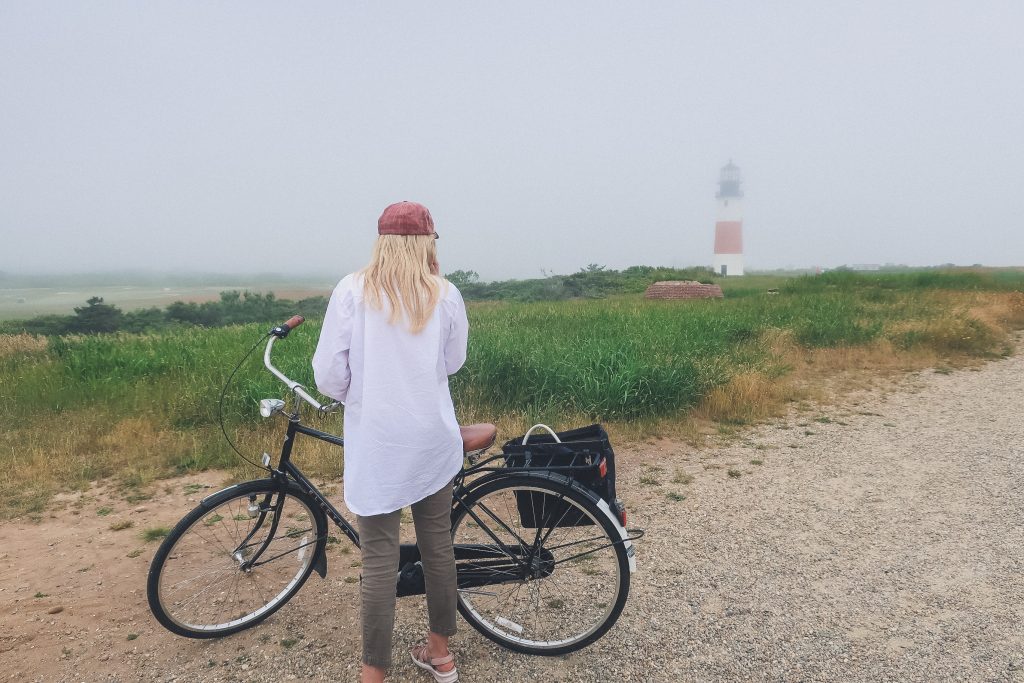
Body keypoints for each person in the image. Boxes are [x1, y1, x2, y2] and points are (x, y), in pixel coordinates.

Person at [312, 201, 467, 683]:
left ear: (381, 240)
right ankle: (439, 653)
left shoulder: (351, 291)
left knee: (378, 559)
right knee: (436, 544)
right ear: (427, 242)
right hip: (431, 440)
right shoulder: (444, 294)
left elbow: (328, 374)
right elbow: (452, 363)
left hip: (378, 443)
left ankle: (373, 674)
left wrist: (360, 394)